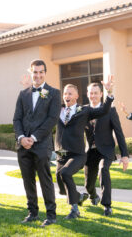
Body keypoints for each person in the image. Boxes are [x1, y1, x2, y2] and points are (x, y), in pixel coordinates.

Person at [55, 76, 114, 219]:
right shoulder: (58, 110)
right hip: (62, 154)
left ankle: (75, 210)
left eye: (69, 93)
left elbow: (104, 110)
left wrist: (109, 93)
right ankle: (79, 197)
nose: (66, 96)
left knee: (66, 174)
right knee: (61, 185)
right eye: (64, 93)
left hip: (77, 154)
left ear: (76, 96)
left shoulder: (84, 111)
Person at [13, 60, 60, 227]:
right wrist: (21, 138)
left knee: (45, 180)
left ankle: (51, 215)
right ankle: (32, 213)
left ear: (45, 73)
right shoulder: (23, 94)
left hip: (41, 145)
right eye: (35, 72)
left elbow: (52, 120)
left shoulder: (54, 93)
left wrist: (33, 138)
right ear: (31, 72)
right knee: (28, 180)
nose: (38, 75)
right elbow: (17, 119)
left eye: (41, 72)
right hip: (23, 145)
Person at [82, 83, 129, 216]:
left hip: (106, 150)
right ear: (87, 94)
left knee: (103, 170)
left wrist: (124, 155)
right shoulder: (83, 110)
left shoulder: (110, 110)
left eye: (96, 93)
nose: (93, 96)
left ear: (101, 94)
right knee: (88, 185)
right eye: (91, 93)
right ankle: (93, 195)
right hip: (90, 151)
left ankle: (107, 205)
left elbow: (119, 133)